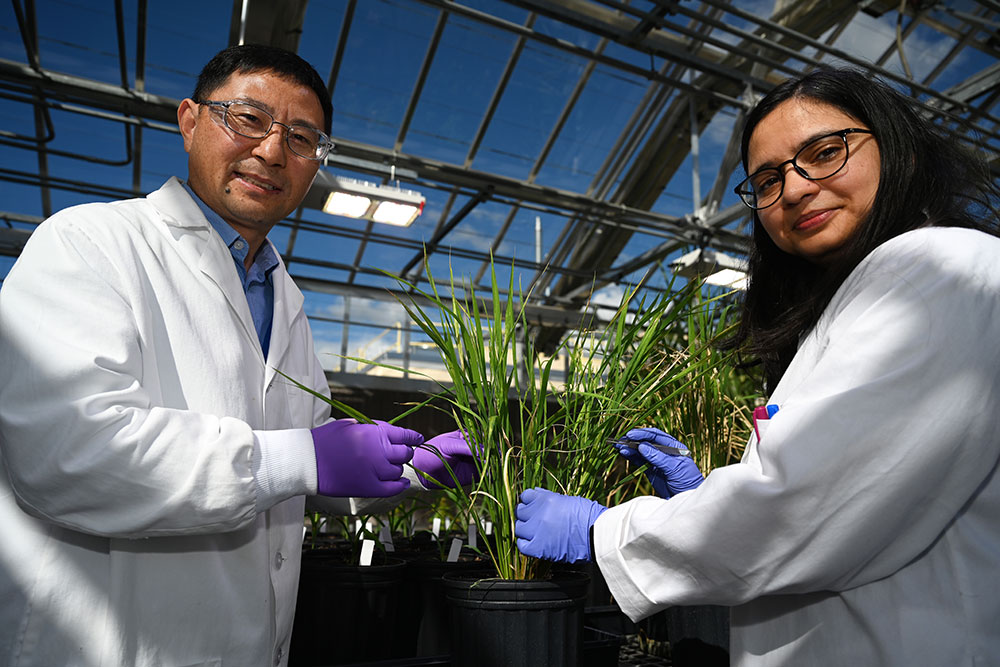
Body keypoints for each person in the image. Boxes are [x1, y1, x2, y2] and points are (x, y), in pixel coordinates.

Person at [0, 45, 474, 667]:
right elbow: (68, 451)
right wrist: (304, 455)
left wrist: (407, 472)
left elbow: (300, 471)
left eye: (302, 139)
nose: (274, 152)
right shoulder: (90, 242)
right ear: (191, 121)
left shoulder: (285, 297)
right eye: (247, 119)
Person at [515, 66, 1000, 665]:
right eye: (767, 180)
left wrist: (606, 531)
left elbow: (808, 503)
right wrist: (699, 499)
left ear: (897, 147)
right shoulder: (859, 296)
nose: (793, 190)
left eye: (824, 152)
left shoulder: (940, 266)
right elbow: (832, 470)